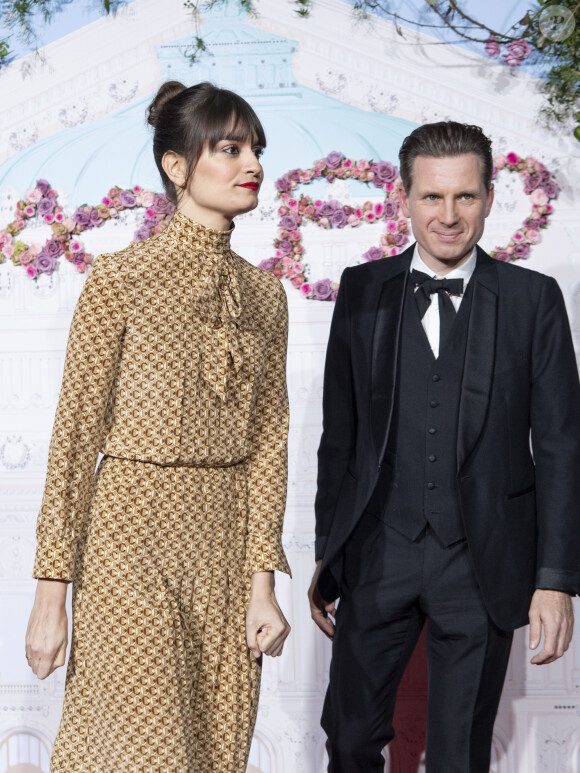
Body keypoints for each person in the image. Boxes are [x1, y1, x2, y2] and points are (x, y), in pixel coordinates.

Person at [25, 80, 291, 773]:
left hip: (226, 546)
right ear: (177, 166)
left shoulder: (265, 294)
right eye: (230, 148)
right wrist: (51, 597)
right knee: (145, 753)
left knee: (212, 750)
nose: (251, 164)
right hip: (129, 538)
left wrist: (263, 584)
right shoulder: (120, 278)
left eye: (255, 149)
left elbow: (268, 442)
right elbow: (75, 437)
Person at [308, 121, 580, 772]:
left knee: (458, 756)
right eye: (432, 197)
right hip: (378, 554)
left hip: (480, 562)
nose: (448, 215)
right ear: (403, 198)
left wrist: (555, 581)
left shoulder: (532, 299)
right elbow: (338, 440)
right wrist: (329, 559)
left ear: (489, 198)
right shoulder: (362, 292)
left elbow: (563, 447)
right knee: (349, 740)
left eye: (464, 197)